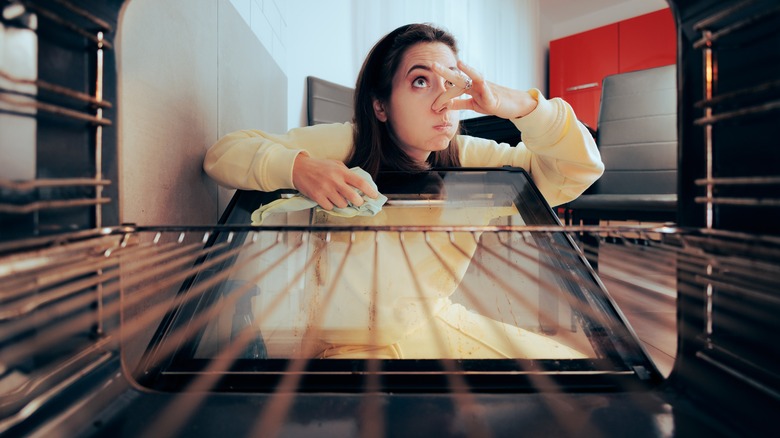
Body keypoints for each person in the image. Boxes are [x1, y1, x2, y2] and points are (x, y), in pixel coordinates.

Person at [203, 23, 604, 360]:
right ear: (381, 105)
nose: (442, 99)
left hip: (434, 320)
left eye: (450, 81)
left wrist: (520, 105)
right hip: (347, 342)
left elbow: (576, 170)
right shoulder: (348, 143)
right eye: (419, 81)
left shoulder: (470, 157)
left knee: (578, 379)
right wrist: (300, 168)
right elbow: (223, 154)